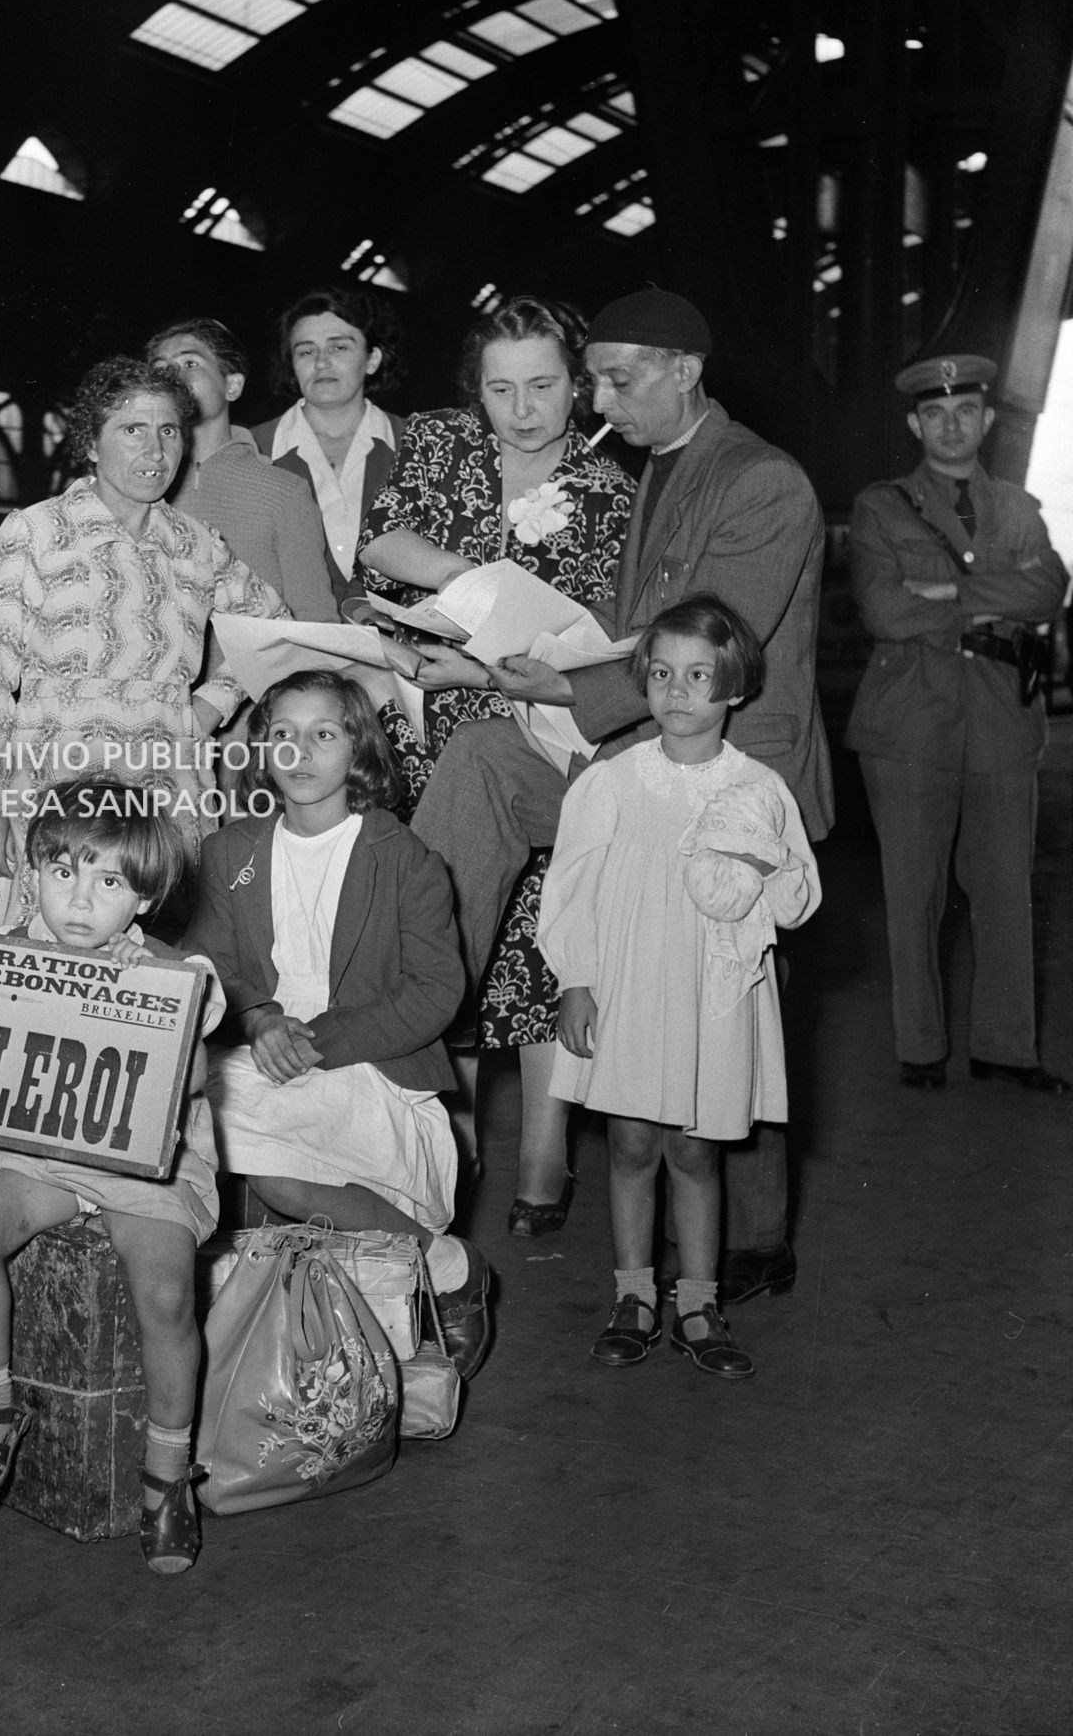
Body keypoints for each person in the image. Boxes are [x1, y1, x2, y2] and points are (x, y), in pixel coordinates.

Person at [409, 287, 833, 1308]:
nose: (597, 396)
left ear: (686, 370)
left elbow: (707, 636)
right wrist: (504, 650)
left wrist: (554, 682)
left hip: (722, 789)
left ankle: (760, 1238)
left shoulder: (763, 479)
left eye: (617, 376)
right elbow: (631, 619)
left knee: (730, 1009)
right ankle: (412, 977)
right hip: (638, 758)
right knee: (480, 766)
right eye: (593, 375)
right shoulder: (664, 468)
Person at [357, 295, 632, 1232]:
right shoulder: (439, 444)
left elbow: (595, 645)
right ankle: (449, 1157)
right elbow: (380, 542)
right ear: (474, 390)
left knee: (540, 956)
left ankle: (545, 1164)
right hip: (423, 724)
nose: (522, 409)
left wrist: (484, 656)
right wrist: (468, 582)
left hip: (542, 735)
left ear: (580, 382)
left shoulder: (613, 493)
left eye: (545, 386)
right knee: (450, 944)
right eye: (501, 388)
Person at [0, 776, 223, 1576]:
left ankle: (169, 1475)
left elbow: (195, 1077)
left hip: (144, 1163)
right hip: (41, 1153)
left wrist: (156, 1023)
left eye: (109, 882)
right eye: (64, 872)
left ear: (143, 899)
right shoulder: (7, 953)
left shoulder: (172, 970)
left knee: (166, 1294)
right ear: (33, 873)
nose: (80, 900)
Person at [539, 599, 821, 1380]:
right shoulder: (614, 780)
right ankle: (633, 1296)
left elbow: (799, 896)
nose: (678, 692)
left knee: (695, 1148)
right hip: (630, 980)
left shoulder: (759, 788)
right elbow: (571, 887)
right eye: (662, 674)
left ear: (733, 687)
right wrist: (578, 980)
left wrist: (763, 870)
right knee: (630, 1142)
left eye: (699, 676)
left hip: (711, 991)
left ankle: (698, 1302)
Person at [182, 671, 492, 1380]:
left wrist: (316, 1042)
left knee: (276, 1176)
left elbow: (437, 991)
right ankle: (253, 1331)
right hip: (265, 1058)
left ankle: (449, 1266)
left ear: (358, 748)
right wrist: (259, 1017)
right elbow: (210, 963)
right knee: (188, 1116)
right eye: (282, 735)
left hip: (371, 1069)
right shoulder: (232, 852)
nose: (300, 751)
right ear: (261, 750)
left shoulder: (404, 858)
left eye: (323, 734)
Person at [0, 356, 288, 933]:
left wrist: (213, 702)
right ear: (90, 442)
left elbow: (275, 624)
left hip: (165, 782)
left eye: (169, 432)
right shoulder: (35, 529)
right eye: (131, 430)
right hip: (51, 775)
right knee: (34, 955)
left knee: (151, 964)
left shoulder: (198, 545)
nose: (155, 451)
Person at [845, 354, 1070, 1092]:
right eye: (935, 413)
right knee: (915, 889)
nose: (951, 424)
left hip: (1002, 716)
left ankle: (1007, 1049)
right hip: (910, 719)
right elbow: (884, 609)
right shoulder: (882, 505)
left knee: (1006, 885)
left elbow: (1048, 590)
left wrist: (945, 588)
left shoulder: (1020, 508)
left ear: (987, 419)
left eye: (965, 411)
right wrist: (987, 601)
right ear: (916, 422)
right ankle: (922, 1048)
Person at [145, 317, 338, 621]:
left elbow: (316, 620)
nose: (171, 377)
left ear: (232, 386)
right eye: (159, 369)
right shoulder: (138, 489)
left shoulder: (285, 491)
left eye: (190, 363)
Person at [250, 286, 404, 612]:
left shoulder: (416, 444)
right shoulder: (252, 449)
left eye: (339, 347)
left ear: (372, 359)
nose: (321, 362)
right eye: (306, 352)